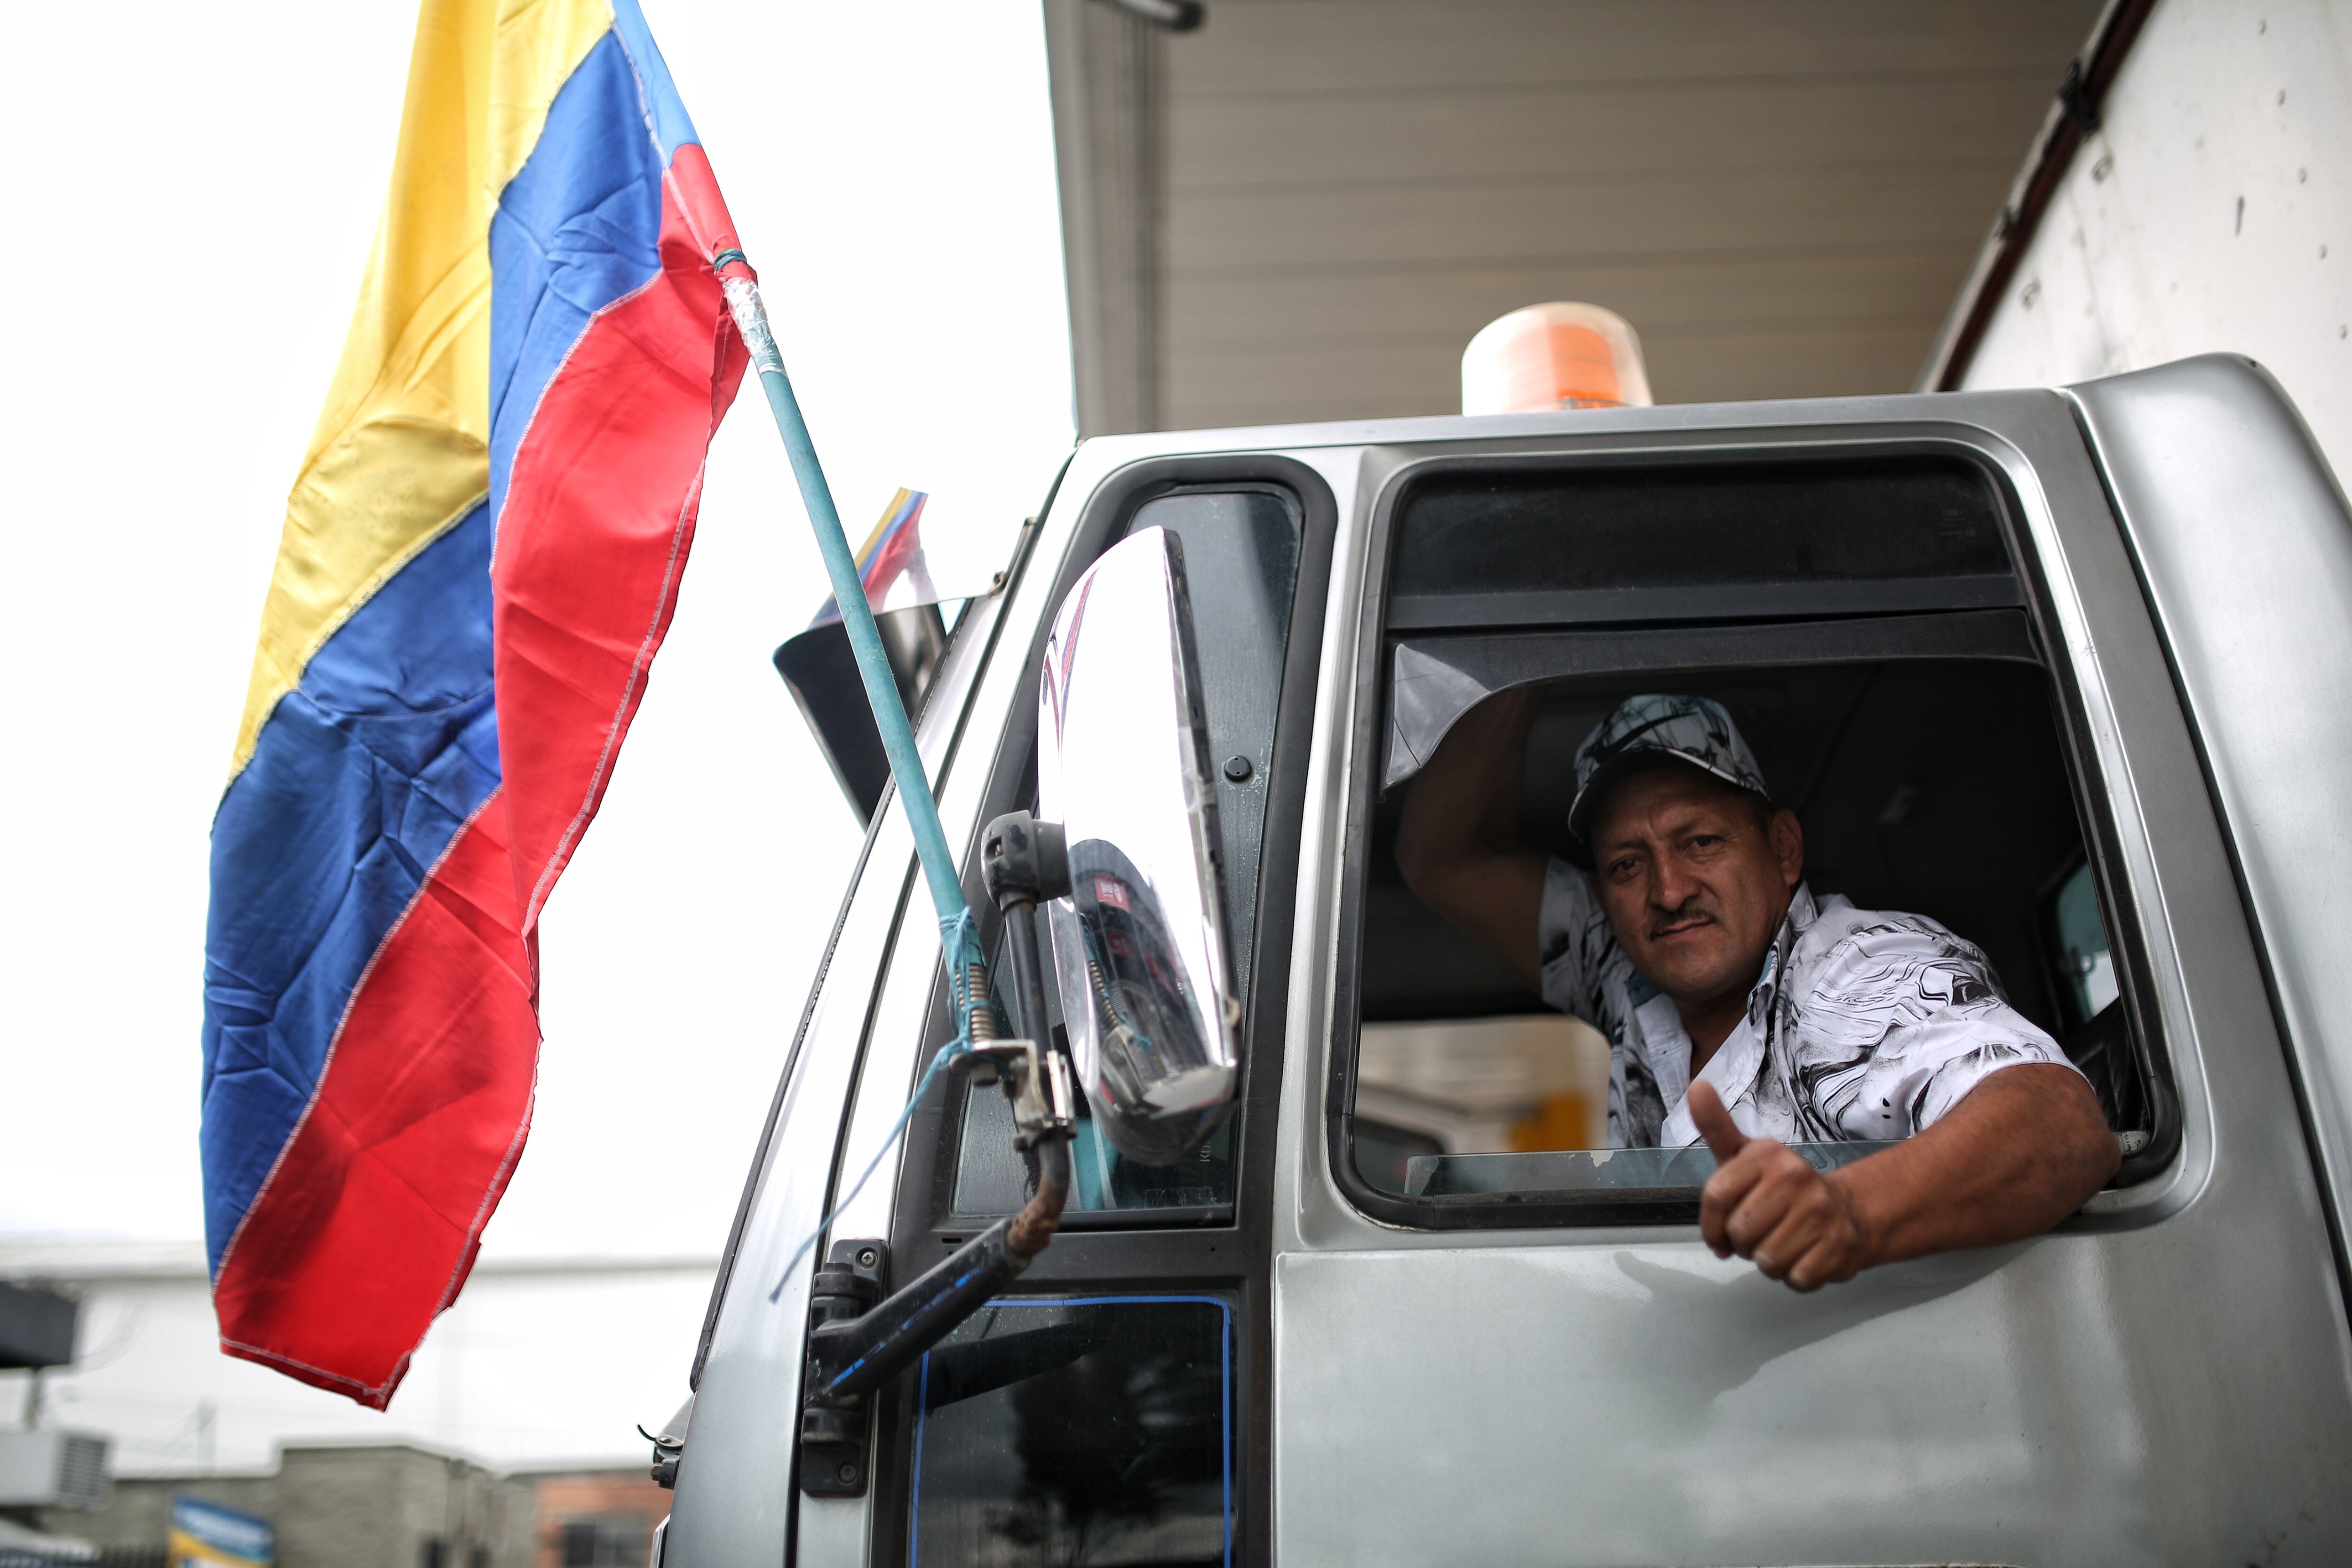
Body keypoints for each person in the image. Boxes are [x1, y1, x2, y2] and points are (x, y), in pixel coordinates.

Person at [1396, 689, 2121, 1291]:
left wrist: (1849, 1210)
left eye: (1700, 842)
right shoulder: (1624, 971)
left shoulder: (1850, 973)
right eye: (1627, 865)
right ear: (1605, 897)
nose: (1668, 890)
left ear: (1782, 849)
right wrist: (1520, 661)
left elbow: (2058, 1123)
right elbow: (1439, 856)